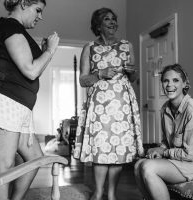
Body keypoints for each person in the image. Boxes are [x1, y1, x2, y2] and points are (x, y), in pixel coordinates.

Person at [0, 0, 59, 199]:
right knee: (3, 169)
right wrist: (50, 50)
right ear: (23, 3)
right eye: (37, 10)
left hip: (18, 106)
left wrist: (44, 51)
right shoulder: (10, 27)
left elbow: (32, 70)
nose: (40, 16)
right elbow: (31, 71)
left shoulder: (17, 31)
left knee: (35, 159)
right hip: (2, 100)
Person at [73, 7, 144, 200]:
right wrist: (99, 74)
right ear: (98, 25)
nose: (112, 22)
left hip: (122, 103)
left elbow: (134, 77)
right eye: (107, 19)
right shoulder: (89, 47)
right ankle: (97, 192)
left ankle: (111, 194)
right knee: (102, 146)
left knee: (118, 147)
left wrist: (132, 72)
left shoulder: (127, 46)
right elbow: (82, 80)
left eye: (114, 19)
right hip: (100, 105)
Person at [134, 64, 193, 200]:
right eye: (165, 81)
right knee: (138, 165)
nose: (169, 85)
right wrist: (158, 150)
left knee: (149, 168)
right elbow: (166, 143)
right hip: (179, 161)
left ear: (185, 84)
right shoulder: (165, 109)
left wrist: (164, 152)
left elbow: (190, 155)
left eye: (175, 80)